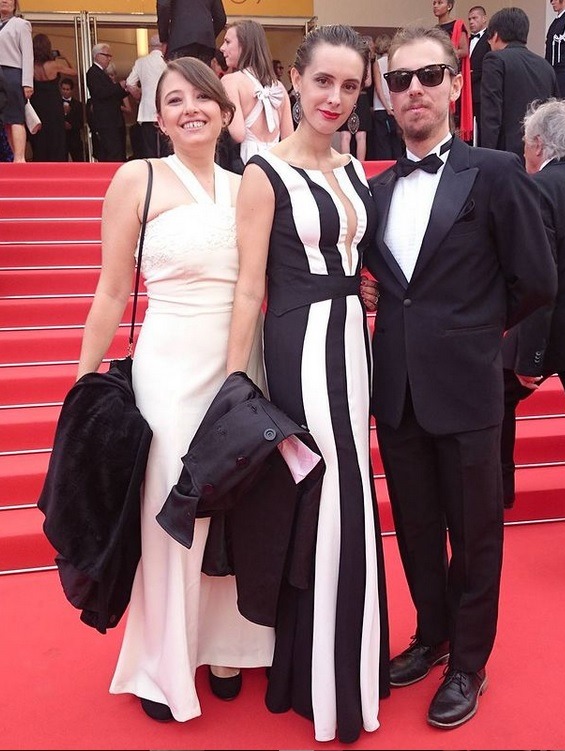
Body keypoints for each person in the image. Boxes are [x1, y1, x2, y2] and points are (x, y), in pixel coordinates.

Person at [367, 25, 556, 729]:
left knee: (476, 534)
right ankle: (432, 632)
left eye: (427, 75)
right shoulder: (377, 190)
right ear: (387, 97)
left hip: (470, 388)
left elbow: (536, 280)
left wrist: (477, 329)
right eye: (399, 80)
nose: (413, 89)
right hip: (399, 392)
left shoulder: (499, 170)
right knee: (416, 527)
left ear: (453, 83)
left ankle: (470, 662)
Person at [76, 56, 275, 724]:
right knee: (168, 514)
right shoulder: (138, 177)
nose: (191, 108)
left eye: (202, 97)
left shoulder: (247, 181)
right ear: (159, 117)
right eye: (174, 99)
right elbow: (110, 291)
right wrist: (82, 383)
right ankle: (165, 658)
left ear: (225, 109)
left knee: (233, 504)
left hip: (238, 361)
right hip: (166, 368)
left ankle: (227, 645)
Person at [225, 24, 390, 745]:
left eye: (350, 86)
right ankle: (326, 678)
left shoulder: (353, 170)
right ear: (295, 78)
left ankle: (339, 661)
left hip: (352, 342)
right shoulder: (264, 173)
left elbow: (361, 263)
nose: (336, 98)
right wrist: (234, 382)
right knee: (331, 494)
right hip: (303, 345)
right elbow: (247, 287)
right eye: (324, 81)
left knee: (349, 491)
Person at [500, 97, 565, 510]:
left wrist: (529, 358)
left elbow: (541, 281)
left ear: (537, 144)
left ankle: (497, 493)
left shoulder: (537, 191)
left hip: (557, 335)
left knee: (495, 395)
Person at [480, 7, 558, 163]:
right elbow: (554, 113)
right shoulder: (546, 66)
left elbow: (491, 115)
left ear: (495, 35)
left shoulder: (495, 60)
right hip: (541, 155)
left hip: (506, 156)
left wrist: (486, 157)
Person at [220, 19, 293, 170]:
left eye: (227, 42)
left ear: (244, 46)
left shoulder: (231, 81)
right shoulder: (279, 87)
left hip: (246, 165)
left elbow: (238, 134)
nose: (222, 48)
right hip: (278, 166)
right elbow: (289, 140)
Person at [29, 33, 76, 162]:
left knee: (40, 135)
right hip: (53, 105)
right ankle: (58, 162)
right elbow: (74, 72)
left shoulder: (30, 66)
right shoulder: (54, 65)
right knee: (56, 135)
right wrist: (65, 56)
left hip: (37, 104)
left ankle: (40, 162)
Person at [432, 0, 473, 141]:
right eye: (434, 3)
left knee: (454, 113)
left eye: (439, 2)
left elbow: (464, 50)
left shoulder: (458, 25)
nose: (435, 6)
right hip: (439, 74)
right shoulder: (435, 28)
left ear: (449, 6)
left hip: (453, 73)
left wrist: (444, 54)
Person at [126, 34, 170, 158]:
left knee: (149, 150)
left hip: (146, 112)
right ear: (164, 46)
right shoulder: (168, 63)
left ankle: (152, 174)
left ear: (151, 46)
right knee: (166, 149)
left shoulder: (141, 62)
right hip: (166, 110)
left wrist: (139, 95)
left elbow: (129, 83)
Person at [0, 0, 33, 162]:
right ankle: (14, 155)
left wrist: (27, 82)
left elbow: (28, 54)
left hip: (13, 73)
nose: (4, 1)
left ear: (15, 4)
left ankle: (20, 158)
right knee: (5, 120)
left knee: (15, 117)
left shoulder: (21, 24)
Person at [86, 43, 127, 161]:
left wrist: (126, 89)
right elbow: (101, 93)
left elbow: (112, 95)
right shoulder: (93, 73)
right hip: (106, 121)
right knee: (112, 152)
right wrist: (118, 86)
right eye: (106, 55)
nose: (109, 59)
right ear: (97, 56)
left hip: (112, 120)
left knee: (117, 151)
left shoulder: (102, 74)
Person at [338, 34, 373, 162]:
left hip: (347, 96)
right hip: (361, 98)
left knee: (345, 136)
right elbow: (368, 83)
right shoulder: (365, 60)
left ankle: (345, 166)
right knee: (361, 136)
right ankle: (361, 166)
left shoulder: (345, 60)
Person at [157, 0, 226, 65]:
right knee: (201, 76)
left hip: (180, 40)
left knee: (179, 75)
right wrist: (207, 36)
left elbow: (163, 5)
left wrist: (164, 39)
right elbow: (220, 18)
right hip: (205, 44)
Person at [370, 32, 404, 160]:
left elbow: (379, 88)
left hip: (381, 108)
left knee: (382, 143)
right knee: (396, 141)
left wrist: (386, 107)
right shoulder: (394, 63)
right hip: (394, 106)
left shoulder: (378, 63)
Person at [468, 5, 490, 144]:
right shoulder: (468, 40)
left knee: (482, 127)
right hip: (468, 93)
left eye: (475, 18)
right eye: (469, 19)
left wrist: (471, 75)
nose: (471, 22)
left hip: (481, 91)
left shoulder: (490, 39)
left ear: (484, 19)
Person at [60, 76, 84, 161]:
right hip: (61, 139)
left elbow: (81, 122)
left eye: (67, 89)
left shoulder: (78, 105)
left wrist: (71, 126)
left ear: (72, 90)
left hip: (74, 138)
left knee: (78, 161)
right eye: (63, 89)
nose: (65, 91)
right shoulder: (56, 103)